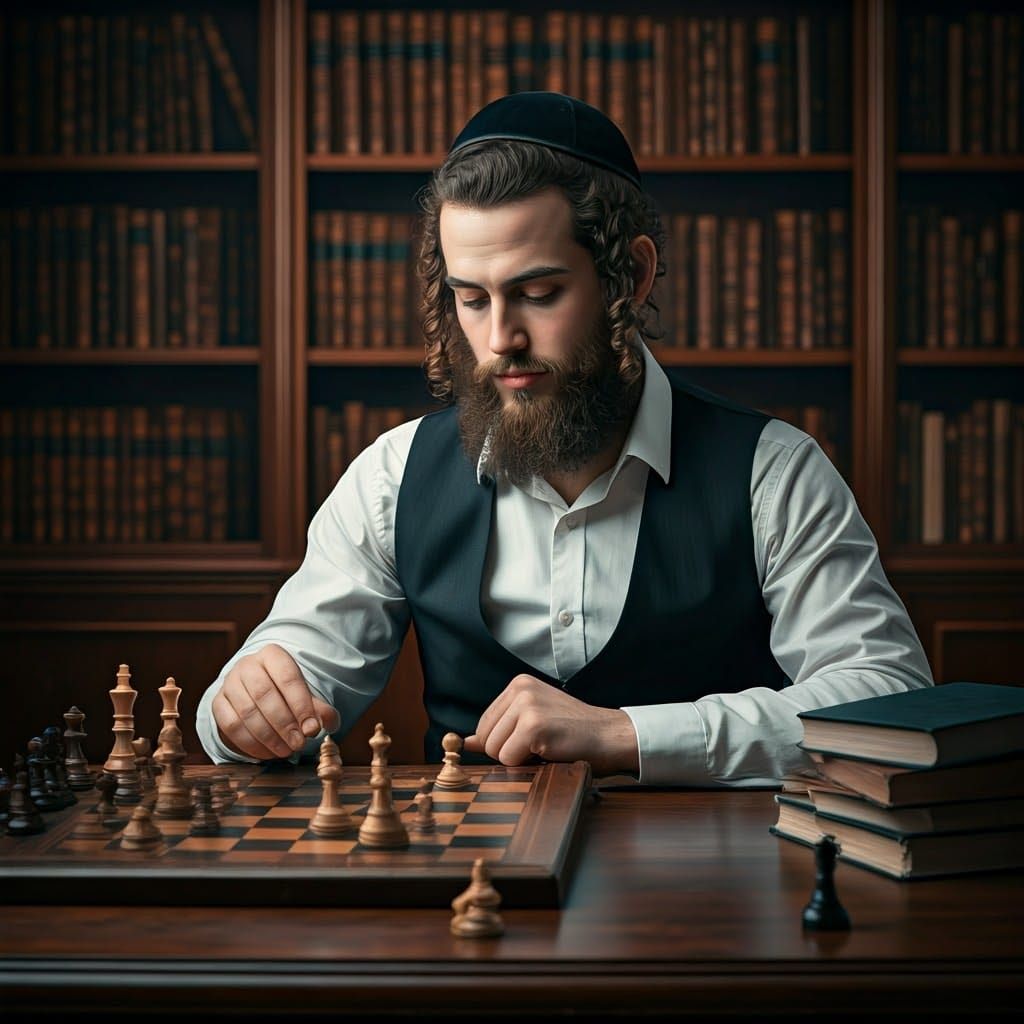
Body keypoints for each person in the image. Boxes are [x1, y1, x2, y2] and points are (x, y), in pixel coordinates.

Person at [196, 92, 933, 785]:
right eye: (471, 299)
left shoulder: (773, 473)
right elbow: (263, 689)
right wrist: (245, 710)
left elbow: (888, 697)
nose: (499, 339)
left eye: (538, 293)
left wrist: (628, 736)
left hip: (718, 900)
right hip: (469, 896)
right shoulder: (393, 476)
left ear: (630, 276)